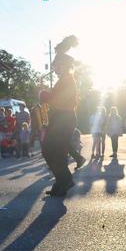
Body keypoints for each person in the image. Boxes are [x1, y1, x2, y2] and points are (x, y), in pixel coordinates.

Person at [43, 36, 79, 197]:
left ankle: (65, 180)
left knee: (50, 150)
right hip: (61, 117)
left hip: (63, 117)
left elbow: (55, 98)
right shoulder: (65, 79)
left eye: (56, 65)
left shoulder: (66, 79)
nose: (54, 68)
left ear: (64, 65)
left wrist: (42, 93)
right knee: (57, 151)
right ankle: (60, 183)